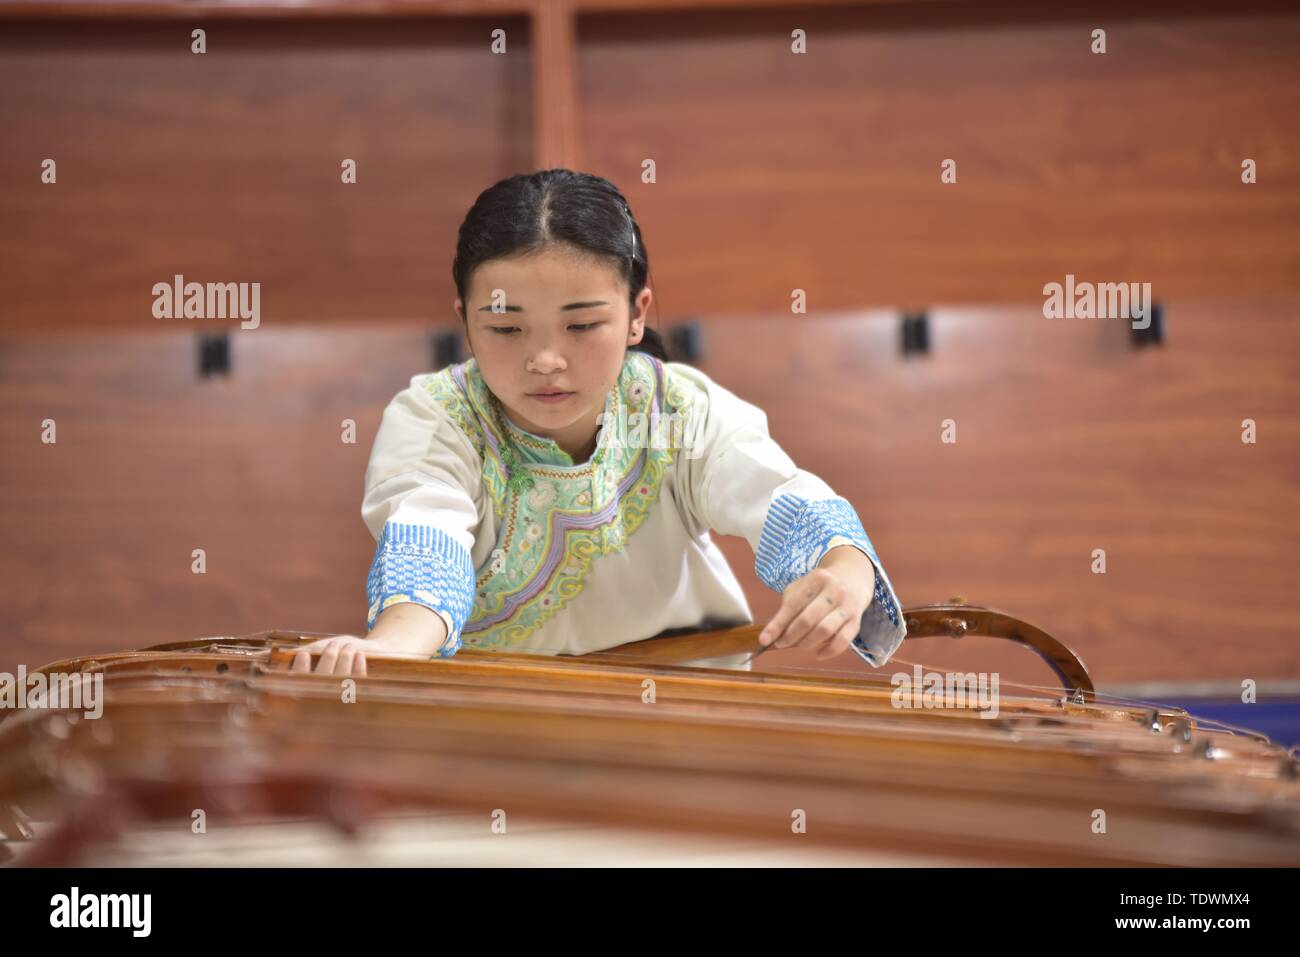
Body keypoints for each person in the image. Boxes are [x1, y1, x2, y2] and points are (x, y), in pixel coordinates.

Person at [292, 169, 905, 677]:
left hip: (685, 707)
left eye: (582, 325)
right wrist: (392, 647)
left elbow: (775, 493)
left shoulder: (673, 408)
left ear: (637, 314)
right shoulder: (438, 417)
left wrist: (843, 566)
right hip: (502, 720)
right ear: (466, 319)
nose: (545, 360)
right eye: (506, 329)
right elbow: (425, 539)